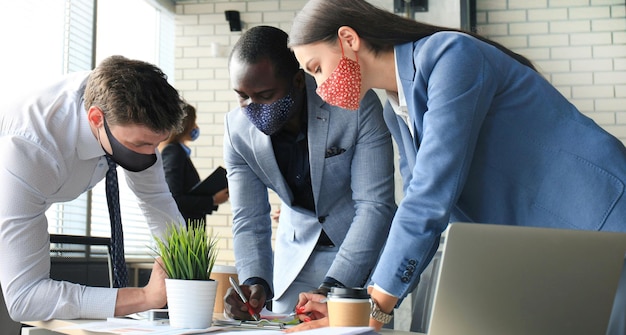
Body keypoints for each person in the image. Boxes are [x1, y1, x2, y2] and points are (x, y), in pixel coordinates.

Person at [286, 0, 626, 332]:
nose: (320, 88)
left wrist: (375, 308)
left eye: (317, 68)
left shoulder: (451, 55)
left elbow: (431, 195)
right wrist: (363, 301)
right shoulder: (395, 109)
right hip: (551, 243)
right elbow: (421, 211)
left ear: (348, 39)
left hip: (600, 214)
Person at [223, 25, 396, 317]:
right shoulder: (237, 132)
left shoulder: (355, 106)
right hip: (296, 255)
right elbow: (249, 217)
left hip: (361, 251)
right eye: (242, 96)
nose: (253, 107)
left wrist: (334, 288)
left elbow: (375, 207)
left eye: (265, 95)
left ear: (298, 81)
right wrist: (253, 282)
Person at [0, 55, 188, 322]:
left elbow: (156, 198)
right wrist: (144, 298)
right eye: (139, 145)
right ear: (96, 118)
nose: (151, 156)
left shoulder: (117, 102)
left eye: (156, 144)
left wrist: (185, 271)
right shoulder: (30, 148)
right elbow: (25, 298)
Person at [160, 102, 229, 224]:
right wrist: (212, 200)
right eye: (193, 123)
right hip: (184, 230)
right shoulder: (173, 152)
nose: (195, 127)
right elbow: (174, 198)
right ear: (184, 125)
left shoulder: (179, 152)